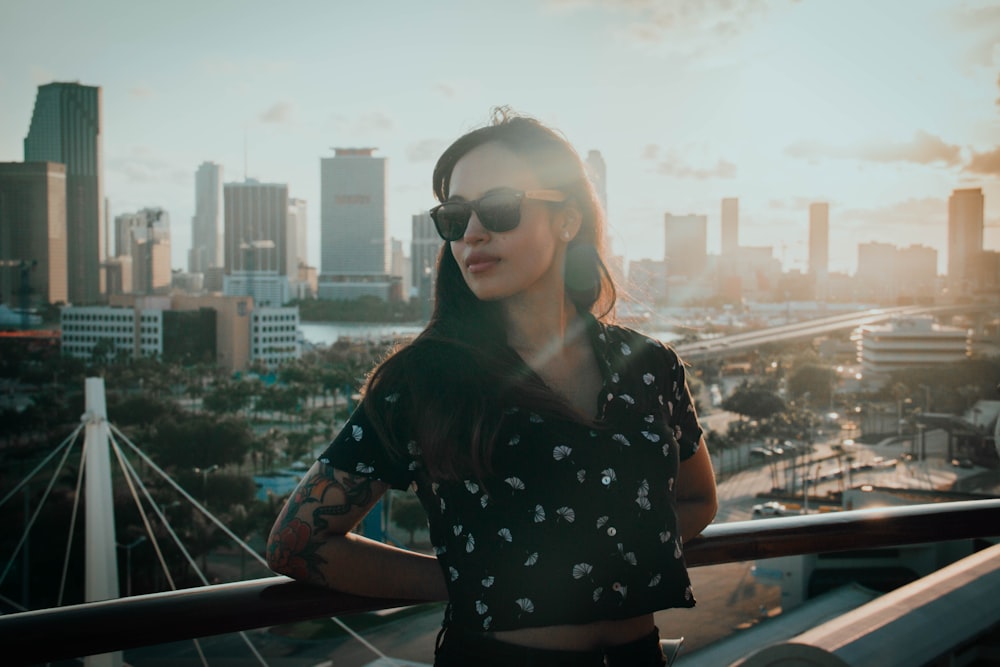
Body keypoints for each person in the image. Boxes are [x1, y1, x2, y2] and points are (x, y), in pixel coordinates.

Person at [266, 109, 718, 666]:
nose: (473, 233)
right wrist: (469, 578)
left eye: (500, 209)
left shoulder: (649, 365)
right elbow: (299, 542)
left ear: (567, 219)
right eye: (454, 218)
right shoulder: (425, 381)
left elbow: (697, 499)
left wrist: (614, 551)